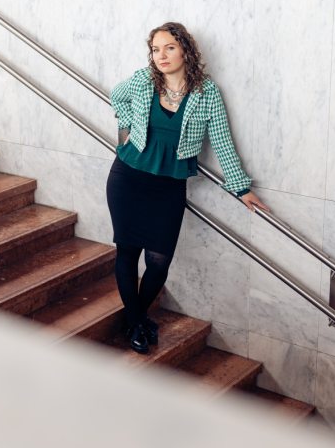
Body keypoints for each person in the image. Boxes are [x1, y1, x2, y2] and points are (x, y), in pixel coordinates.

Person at [107, 22, 269, 355]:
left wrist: (241, 188)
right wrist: (127, 127)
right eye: (155, 49)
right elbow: (116, 96)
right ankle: (136, 323)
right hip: (128, 177)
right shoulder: (143, 80)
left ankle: (134, 317)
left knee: (159, 262)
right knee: (127, 252)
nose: (161, 55)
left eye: (169, 47)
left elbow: (222, 141)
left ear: (185, 50)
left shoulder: (207, 93)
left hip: (168, 186)